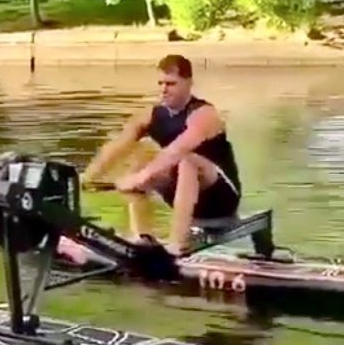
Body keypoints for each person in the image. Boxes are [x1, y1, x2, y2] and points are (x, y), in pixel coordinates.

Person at [80, 54, 242, 257]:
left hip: (221, 197)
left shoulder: (205, 114)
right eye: (161, 83)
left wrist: (139, 179)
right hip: (183, 193)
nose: (164, 89)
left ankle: (176, 245)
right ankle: (142, 237)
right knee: (141, 154)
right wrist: (86, 179)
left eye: (171, 83)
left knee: (186, 161)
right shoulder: (151, 116)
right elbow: (116, 146)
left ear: (189, 83)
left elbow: (177, 150)